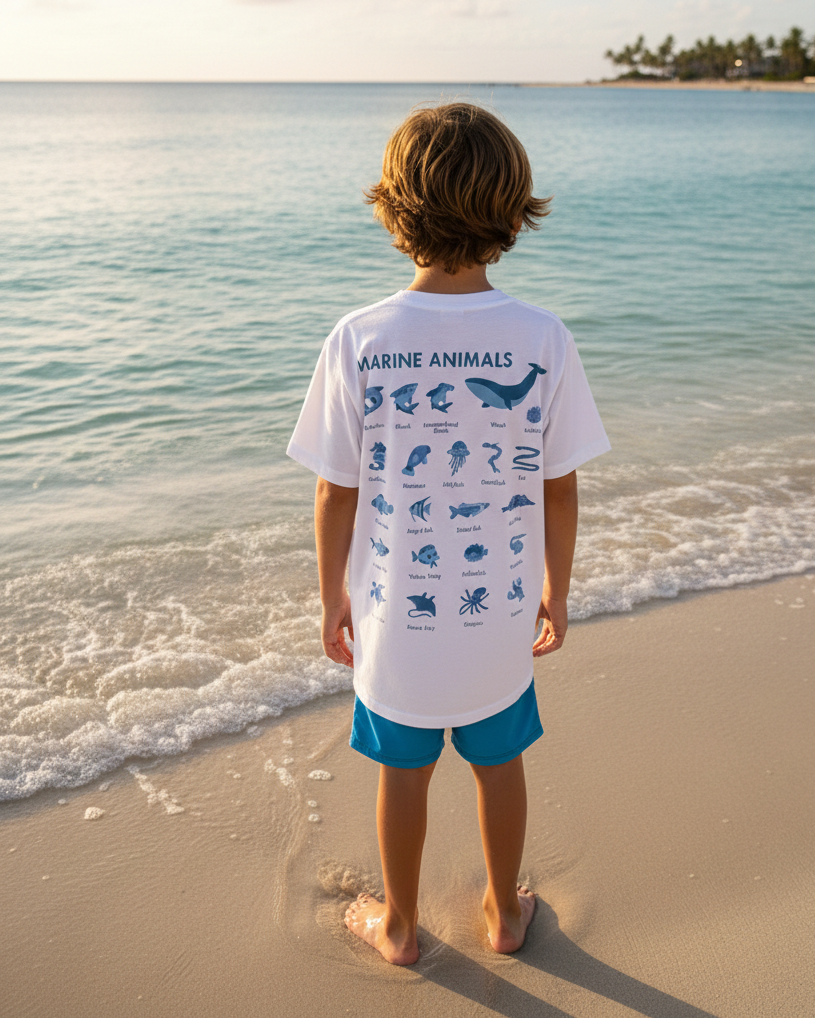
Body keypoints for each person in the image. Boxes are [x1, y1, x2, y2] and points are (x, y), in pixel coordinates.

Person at [287, 101, 610, 965]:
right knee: (498, 761)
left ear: (395, 206)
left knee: (404, 770)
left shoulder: (359, 338)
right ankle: (504, 914)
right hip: (499, 610)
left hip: (395, 617)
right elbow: (559, 485)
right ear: (511, 207)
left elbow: (334, 490)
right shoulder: (540, 337)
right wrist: (556, 588)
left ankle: (397, 925)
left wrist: (332, 600)